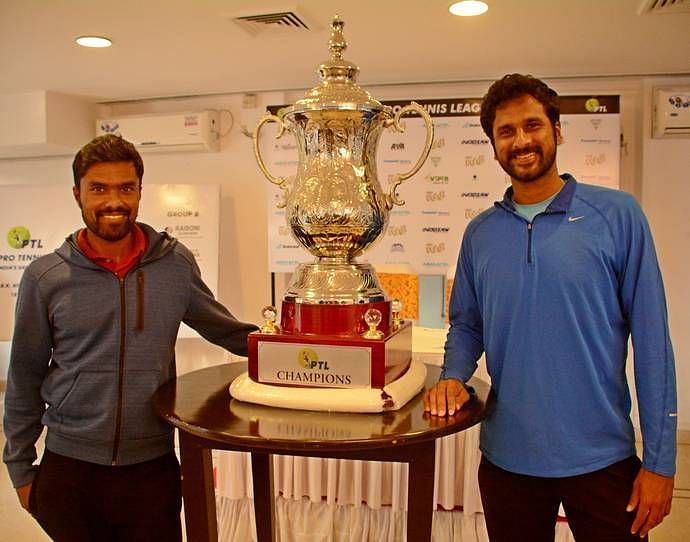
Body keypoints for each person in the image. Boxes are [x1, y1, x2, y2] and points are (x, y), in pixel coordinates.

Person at [423, 74, 677, 541]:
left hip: (603, 460)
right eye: (506, 132)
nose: (521, 141)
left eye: (533, 125)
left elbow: (654, 345)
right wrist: (452, 376)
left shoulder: (618, 216)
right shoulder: (479, 234)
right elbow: (466, 325)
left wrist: (660, 463)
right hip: (507, 462)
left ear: (557, 130)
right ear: (493, 146)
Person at [3, 134, 259, 541]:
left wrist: (294, 350)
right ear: (77, 194)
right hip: (69, 470)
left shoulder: (174, 264)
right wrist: (19, 469)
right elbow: (25, 377)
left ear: (140, 190)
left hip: (151, 470)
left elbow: (224, 329)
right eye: (98, 188)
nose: (113, 201)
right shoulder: (46, 277)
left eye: (126, 187)